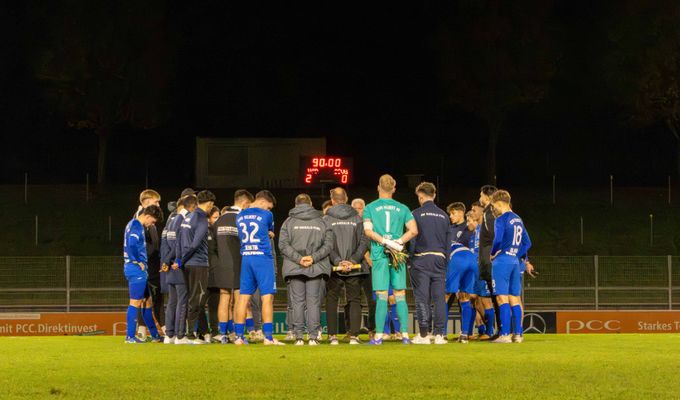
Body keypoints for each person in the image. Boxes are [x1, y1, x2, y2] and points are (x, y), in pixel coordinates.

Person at [363, 174, 418, 345]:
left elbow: (368, 232)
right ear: (394, 189)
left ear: (378, 187)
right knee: (400, 294)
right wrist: (397, 242)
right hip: (397, 254)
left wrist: (385, 241)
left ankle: (379, 336)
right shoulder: (402, 208)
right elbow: (414, 230)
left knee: (381, 295)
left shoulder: (370, 208)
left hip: (379, 254)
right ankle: (405, 335)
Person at [279, 194, 333, 346]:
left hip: (295, 267)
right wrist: (313, 258)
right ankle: (314, 337)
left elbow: (283, 245)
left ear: (295, 204)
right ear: (310, 203)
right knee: (313, 302)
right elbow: (328, 245)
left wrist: (299, 259)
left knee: (297, 303)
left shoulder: (288, 222)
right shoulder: (322, 221)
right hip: (316, 267)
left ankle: (299, 338)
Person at [233, 190, 284, 346]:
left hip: (246, 257)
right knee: (267, 297)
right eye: (268, 207)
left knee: (243, 298)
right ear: (262, 202)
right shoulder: (267, 215)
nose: (269, 210)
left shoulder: (240, 215)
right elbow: (269, 232)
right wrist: (269, 234)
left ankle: (239, 337)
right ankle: (268, 337)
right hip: (262, 258)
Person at [324, 188, 368, 345]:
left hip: (333, 266)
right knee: (355, 299)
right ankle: (354, 336)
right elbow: (364, 242)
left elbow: (325, 244)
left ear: (332, 200)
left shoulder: (327, 218)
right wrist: (353, 260)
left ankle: (332, 337)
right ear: (347, 198)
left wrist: (337, 261)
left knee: (331, 299)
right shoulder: (357, 217)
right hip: (354, 266)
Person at [489, 190, 532, 343]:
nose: (494, 209)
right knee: (515, 298)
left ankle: (505, 334)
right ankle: (518, 335)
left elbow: (498, 240)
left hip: (502, 262)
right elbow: (528, 243)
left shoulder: (501, 219)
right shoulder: (518, 219)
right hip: (515, 262)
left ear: (499, 203)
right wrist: (515, 253)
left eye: (494, 206)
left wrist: (493, 253)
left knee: (502, 298)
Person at [409, 182, 449, 345]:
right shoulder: (444, 216)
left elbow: (412, 238)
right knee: (440, 298)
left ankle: (424, 335)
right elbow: (448, 242)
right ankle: (439, 335)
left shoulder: (416, 214)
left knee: (422, 297)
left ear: (421, 196)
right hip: (440, 259)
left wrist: (411, 258)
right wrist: (445, 261)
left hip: (421, 259)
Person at [214, 190, 254, 344]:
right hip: (238, 264)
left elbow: (213, 246)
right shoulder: (242, 219)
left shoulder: (220, 219)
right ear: (245, 203)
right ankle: (239, 335)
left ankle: (223, 334)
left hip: (222, 265)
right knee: (239, 299)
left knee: (224, 298)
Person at [178, 190, 215, 344]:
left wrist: (181, 259)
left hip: (188, 264)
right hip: (198, 263)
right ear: (210, 204)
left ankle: (191, 332)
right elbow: (196, 243)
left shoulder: (189, 216)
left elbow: (181, 241)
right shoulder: (201, 218)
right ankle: (191, 334)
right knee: (198, 298)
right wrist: (183, 259)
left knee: (193, 297)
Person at [123, 204, 164, 343]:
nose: (151, 224)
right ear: (147, 216)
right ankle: (130, 336)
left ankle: (155, 335)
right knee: (135, 302)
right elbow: (132, 243)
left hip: (137, 269)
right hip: (136, 269)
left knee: (147, 302)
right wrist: (137, 261)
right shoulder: (136, 225)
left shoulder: (132, 223)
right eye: (152, 221)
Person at [163, 195, 196, 344]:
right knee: (182, 301)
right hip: (178, 265)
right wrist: (175, 260)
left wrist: (165, 261)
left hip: (170, 265)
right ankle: (180, 335)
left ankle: (169, 335)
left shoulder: (171, 220)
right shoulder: (183, 220)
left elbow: (166, 243)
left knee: (172, 301)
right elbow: (179, 245)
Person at [134, 189, 163, 340]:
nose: (158, 204)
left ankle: (147, 332)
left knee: (148, 299)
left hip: (152, 265)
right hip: (145, 266)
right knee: (143, 299)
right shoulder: (139, 220)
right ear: (146, 202)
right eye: (156, 201)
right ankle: (140, 331)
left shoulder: (149, 220)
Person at [351, 198, 376, 340]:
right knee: (353, 300)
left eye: (360, 208)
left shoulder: (370, 224)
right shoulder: (349, 224)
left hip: (368, 268)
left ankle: (372, 328)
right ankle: (351, 330)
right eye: (355, 208)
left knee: (372, 300)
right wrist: (366, 255)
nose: (358, 210)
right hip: (354, 267)